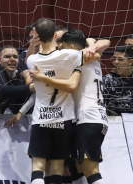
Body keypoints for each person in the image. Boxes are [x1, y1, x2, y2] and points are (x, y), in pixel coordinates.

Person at [26, 18, 101, 184]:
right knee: (58, 168)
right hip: (63, 119)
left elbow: (27, 60)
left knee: (38, 168)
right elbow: (96, 55)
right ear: (55, 35)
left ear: (37, 36)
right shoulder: (70, 55)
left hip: (41, 118)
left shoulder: (32, 61)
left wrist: (33, 46)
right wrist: (90, 43)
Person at [103, 45, 133, 115]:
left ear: (130, 62)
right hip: (116, 122)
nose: (116, 62)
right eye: (114, 58)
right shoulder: (108, 80)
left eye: (120, 59)